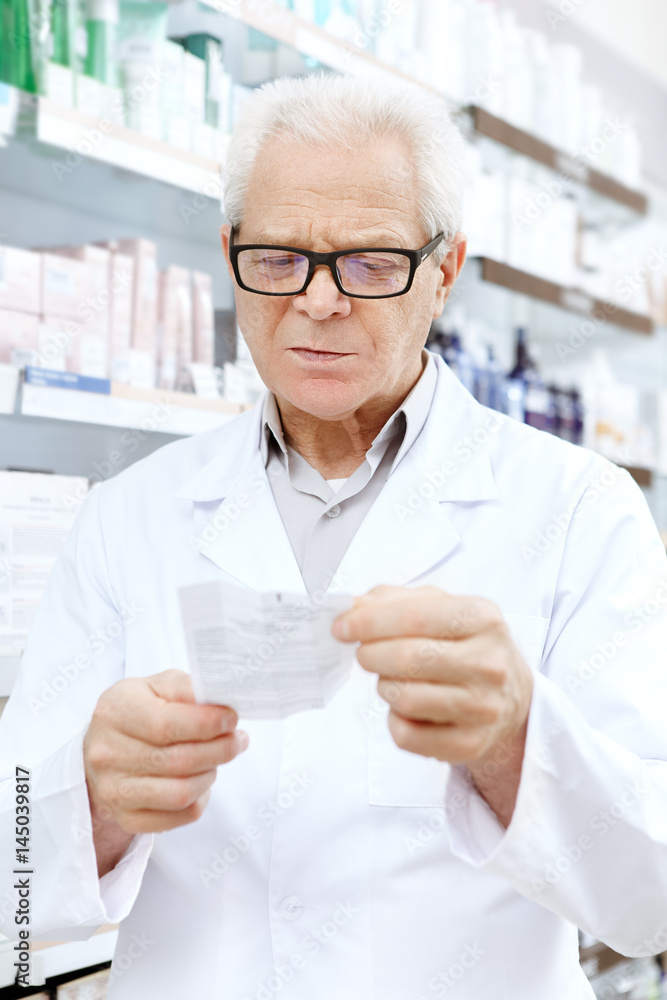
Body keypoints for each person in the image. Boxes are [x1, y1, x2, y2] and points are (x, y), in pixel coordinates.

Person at [1, 71, 667, 1000]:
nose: (317, 302)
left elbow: (648, 902)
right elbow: (12, 889)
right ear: (230, 252)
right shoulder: (128, 516)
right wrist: (93, 799)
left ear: (444, 272)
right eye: (278, 259)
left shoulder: (577, 509)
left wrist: (518, 741)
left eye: (370, 263)